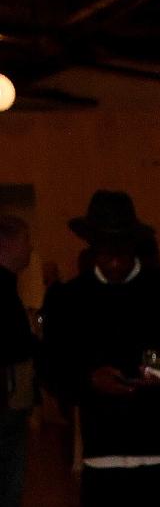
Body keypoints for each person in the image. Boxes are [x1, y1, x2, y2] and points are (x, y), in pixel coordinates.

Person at [40, 190, 160, 507]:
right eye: (106, 251)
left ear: (134, 245)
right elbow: (53, 371)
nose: (114, 261)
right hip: (104, 457)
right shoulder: (69, 300)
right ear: (92, 247)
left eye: (121, 250)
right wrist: (89, 381)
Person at [0, 215, 34, 507]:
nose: (30, 248)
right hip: (5, 400)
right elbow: (14, 344)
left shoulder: (10, 285)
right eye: (26, 240)